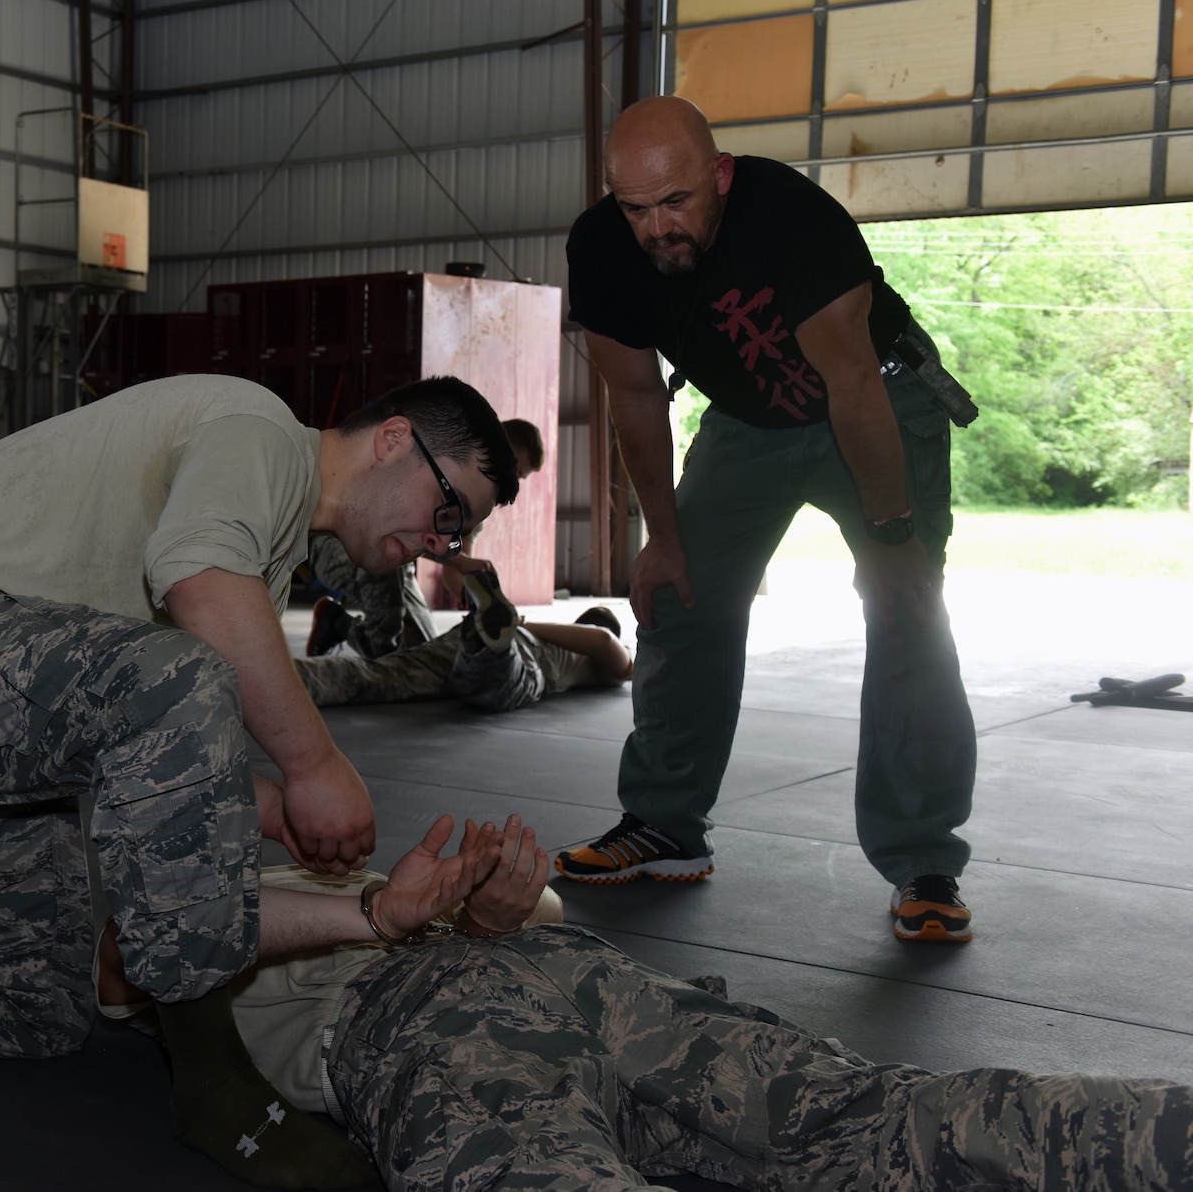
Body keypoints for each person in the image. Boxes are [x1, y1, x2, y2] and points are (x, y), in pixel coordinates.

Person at [0, 373, 518, 1188]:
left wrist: (285, 819)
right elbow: (192, 599)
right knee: (179, 678)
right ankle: (214, 1082)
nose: (441, 544)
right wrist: (313, 764)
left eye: (459, 535)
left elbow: (175, 763)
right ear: (393, 438)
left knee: (31, 1002)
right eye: (449, 512)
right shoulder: (261, 431)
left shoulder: (261, 555)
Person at [97, 806, 1192, 1192]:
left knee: (866, 1118)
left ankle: (1163, 1136)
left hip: (556, 986)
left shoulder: (347, 869)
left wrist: (485, 911)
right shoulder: (162, 904)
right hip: (420, 1015)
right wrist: (381, 921)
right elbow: (131, 960)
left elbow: (537, 940)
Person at [558, 96, 981, 943]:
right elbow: (635, 396)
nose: (656, 228)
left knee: (905, 609)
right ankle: (666, 824)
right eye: (635, 208)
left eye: (675, 202)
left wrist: (893, 536)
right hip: (748, 419)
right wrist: (662, 537)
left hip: (874, 399)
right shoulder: (603, 246)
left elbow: (854, 386)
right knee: (679, 591)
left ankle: (922, 855)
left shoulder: (793, 220)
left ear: (717, 175)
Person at [306, 417, 545, 656]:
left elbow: (454, 572)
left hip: (397, 565)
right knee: (385, 646)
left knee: (421, 652)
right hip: (344, 545)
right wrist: (462, 562)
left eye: (520, 477)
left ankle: (336, 622)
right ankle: (345, 627)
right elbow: (397, 528)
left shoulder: (477, 504)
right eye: (515, 470)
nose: (513, 481)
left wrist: (478, 601)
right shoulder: (441, 464)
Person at [295, 584, 630, 712]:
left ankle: (290, 679)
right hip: (525, 654)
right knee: (502, 689)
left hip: (459, 640)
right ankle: (489, 645)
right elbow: (603, 641)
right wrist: (518, 626)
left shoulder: (567, 640)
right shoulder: (596, 651)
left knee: (380, 675)